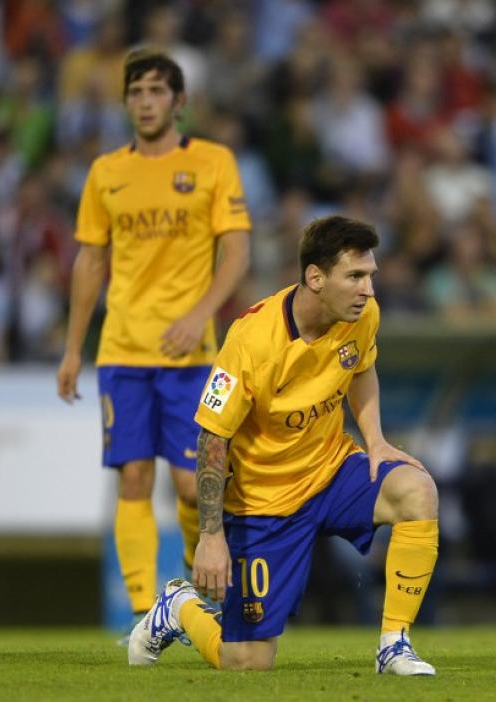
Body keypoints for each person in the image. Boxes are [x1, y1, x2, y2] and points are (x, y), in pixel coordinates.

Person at [127, 216, 439, 675]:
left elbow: (361, 368)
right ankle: (178, 607)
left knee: (418, 490)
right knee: (246, 662)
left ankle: (394, 644)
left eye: (370, 275)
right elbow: (212, 437)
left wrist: (375, 441)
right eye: (355, 276)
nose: (368, 289)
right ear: (316, 278)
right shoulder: (251, 340)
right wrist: (211, 537)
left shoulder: (361, 315)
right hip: (263, 502)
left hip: (331, 471)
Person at [56, 49, 250, 634]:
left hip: (190, 355)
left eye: (157, 91)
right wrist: (73, 349)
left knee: (192, 485)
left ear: (180, 102)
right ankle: (144, 613)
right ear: (125, 103)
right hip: (123, 350)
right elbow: (90, 261)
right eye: (136, 92)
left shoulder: (213, 163)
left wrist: (200, 314)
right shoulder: (106, 172)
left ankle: (200, 583)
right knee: (133, 477)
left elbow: (236, 252)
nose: (146, 102)